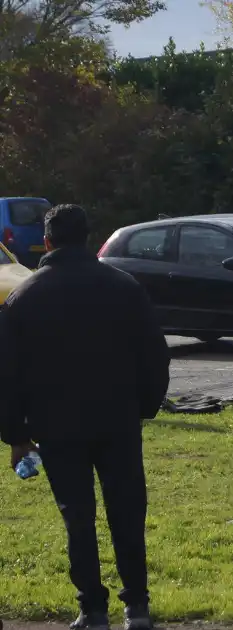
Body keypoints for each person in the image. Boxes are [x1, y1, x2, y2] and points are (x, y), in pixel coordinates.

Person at [0, 204, 170, 630]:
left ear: (49, 241)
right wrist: (144, 404)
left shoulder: (24, 297)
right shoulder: (124, 287)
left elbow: (9, 373)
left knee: (78, 515)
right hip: (116, 417)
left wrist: (17, 433)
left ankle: (92, 607)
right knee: (127, 511)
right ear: (88, 238)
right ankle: (137, 605)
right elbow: (154, 355)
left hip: (56, 423)